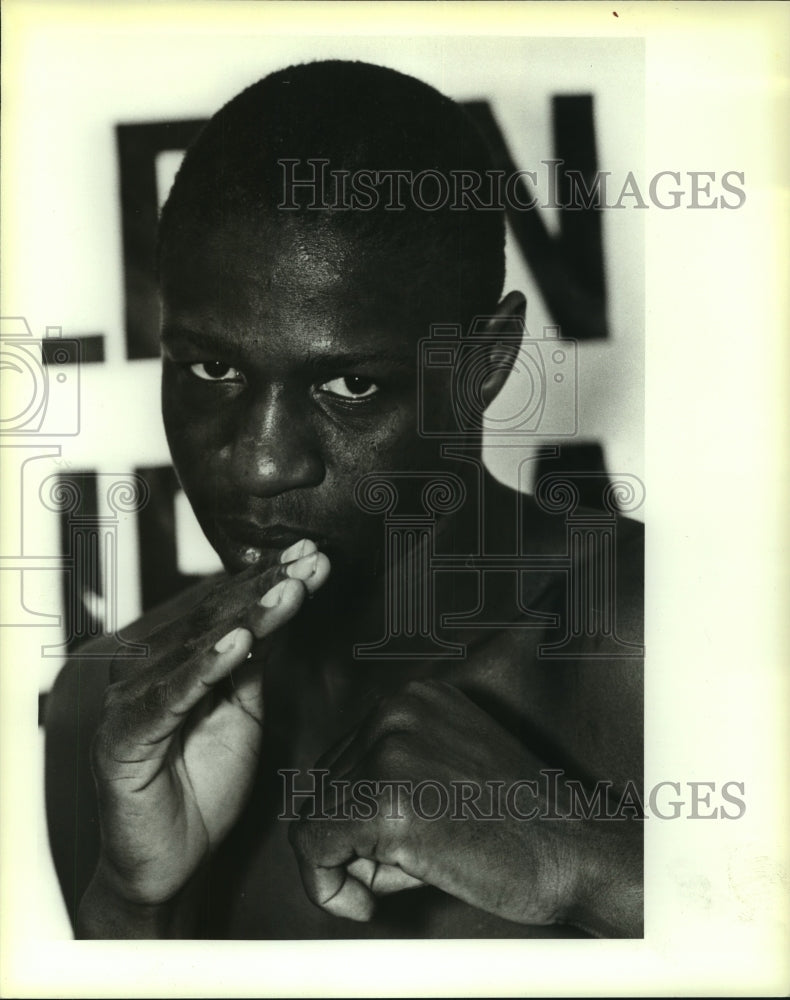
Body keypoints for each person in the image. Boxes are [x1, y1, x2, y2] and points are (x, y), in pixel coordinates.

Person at [45, 60, 644, 940]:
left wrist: (593, 874)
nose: (257, 464)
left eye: (350, 387)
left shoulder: (666, 638)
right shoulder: (107, 705)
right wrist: (134, 907)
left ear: (485, 363)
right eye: (213, 370)